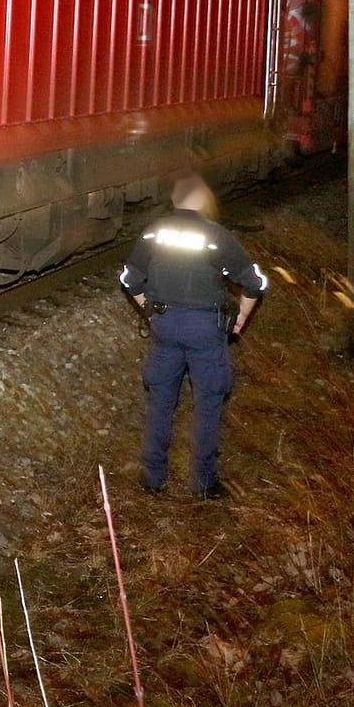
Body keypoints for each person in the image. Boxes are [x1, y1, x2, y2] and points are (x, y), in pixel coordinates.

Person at [117, 175, 268, 499]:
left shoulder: (156, 231)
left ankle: (152, 477)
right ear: (201, 201)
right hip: (205, 329)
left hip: (165, 325)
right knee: (208, 403)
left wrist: (149, 311)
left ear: (175, 200)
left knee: (160, 402)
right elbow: (256, 283)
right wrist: (240, 318)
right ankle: (203, 482)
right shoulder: (216, 236)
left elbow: (129, 278)